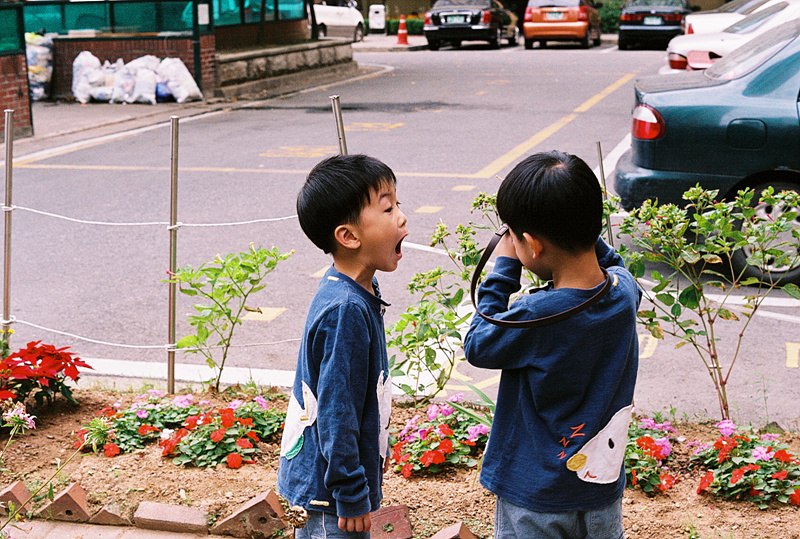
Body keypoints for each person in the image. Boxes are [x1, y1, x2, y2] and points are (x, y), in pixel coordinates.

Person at [464, 151, 640, 539]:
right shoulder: (624, 291)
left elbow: (478, 343)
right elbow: (615, 264)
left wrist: (504, 267)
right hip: (600, 491)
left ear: (532, 244)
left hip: (534, 497)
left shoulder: (537, 315)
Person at [277, 154, 408, 538]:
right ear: (349, 236)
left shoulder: (353, 287)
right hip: (332, 499)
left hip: (327, 489)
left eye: (398, 204)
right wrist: (351, 493)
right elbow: (337, 410)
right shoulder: (347, 311)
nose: (401, 216)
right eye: (387, 208)